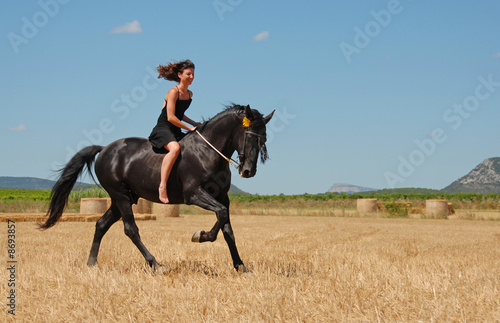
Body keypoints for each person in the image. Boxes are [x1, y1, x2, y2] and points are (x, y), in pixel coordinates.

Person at [149, 60, 200, 204]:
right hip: (163, 128)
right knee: (175, 148)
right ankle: (162, 186)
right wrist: (189, 128)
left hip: (176, 128)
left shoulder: (189, 94)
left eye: (193, 74)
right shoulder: (173, 92)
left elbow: (180, 113)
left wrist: (194, 123)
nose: (191, 77)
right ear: (180, 75)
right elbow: (171, 117)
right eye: (188, 74)